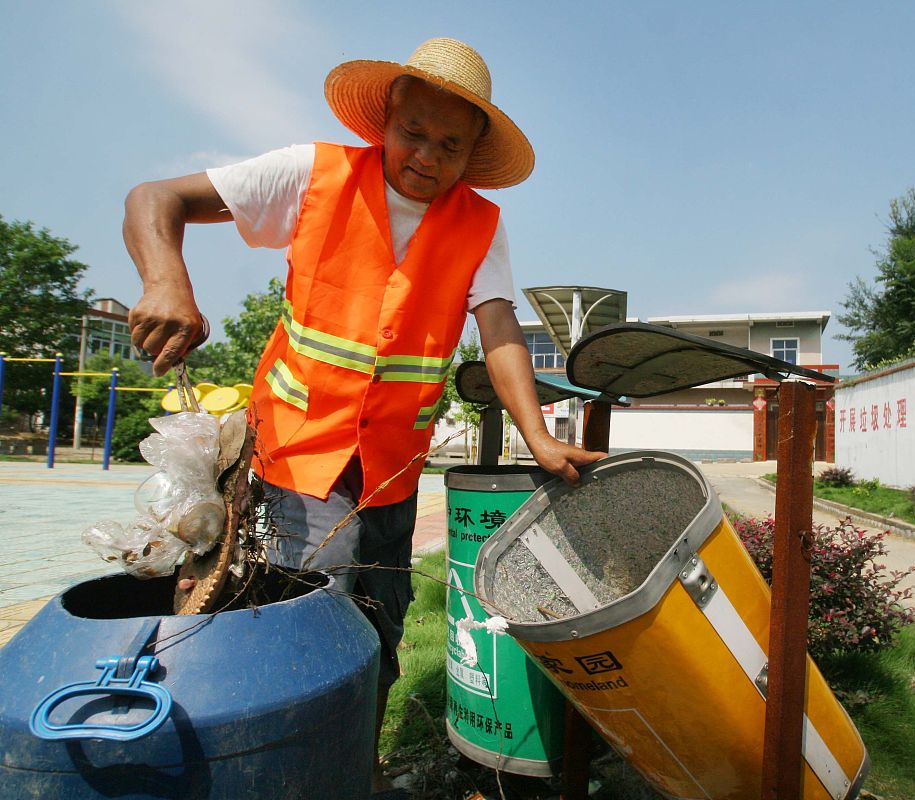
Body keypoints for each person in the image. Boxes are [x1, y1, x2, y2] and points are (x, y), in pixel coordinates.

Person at [123, 37, 605, 789]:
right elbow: (155, 198)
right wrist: (165, 282)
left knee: (380, 610)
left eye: (450, 144)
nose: (426, 155)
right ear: (385, 120)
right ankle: (295, 767)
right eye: (413, 131)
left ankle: (356, 765)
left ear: (474, 151)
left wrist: (538, 435)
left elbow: (501, 327)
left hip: (390, 465)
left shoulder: (481, 224)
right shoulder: (313, 174)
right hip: (298, 447)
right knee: (312, 609)